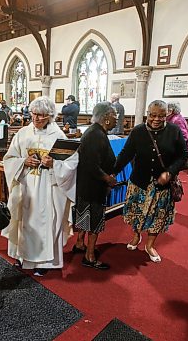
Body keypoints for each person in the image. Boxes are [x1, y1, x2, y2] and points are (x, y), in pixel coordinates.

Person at [1, 96, 77, 276]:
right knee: (24, 221)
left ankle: (45, 262)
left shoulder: (58, 136)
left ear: (50, 116)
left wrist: (54, 165)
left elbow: (72, 162)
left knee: (47, 222)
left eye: (41, 115)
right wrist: (23, 161)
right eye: (33, 114)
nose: (36, 119)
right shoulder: (23, 133)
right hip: (26, 185)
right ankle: (23, 257)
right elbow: (9, 159)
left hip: (49, 187)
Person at [114, 100, 188, 263]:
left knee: (157, 216)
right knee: (136, 213)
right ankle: (136, 236)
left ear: (167, 115)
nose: (156, 119)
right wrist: (112, 172)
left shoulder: (174, 131)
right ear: (147, 114)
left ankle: (150, 245)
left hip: (162, 184)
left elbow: (183, 155)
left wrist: (170, 172)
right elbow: (126, 154)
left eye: (161, 116)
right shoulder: (138, 131)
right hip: (139, 181)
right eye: (153, 115)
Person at [72, 102, 117, 270]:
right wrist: (108, 179)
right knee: (95, 222)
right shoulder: (96, 135)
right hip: (93, 187)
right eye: (114, 116)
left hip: (87, 186)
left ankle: (79, 244)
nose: (116, 119)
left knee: (85, 217)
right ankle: (89, 256)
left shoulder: (95, 132)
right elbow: (91, 165)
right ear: (105, 118)